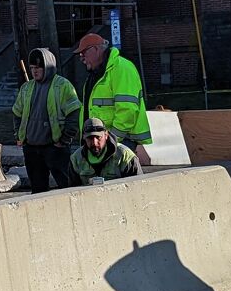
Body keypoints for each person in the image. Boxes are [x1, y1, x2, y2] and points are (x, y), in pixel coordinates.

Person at [74, 31, 152, 166]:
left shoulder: (121, 68)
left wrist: (111, 140)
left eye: (83, 53)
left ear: (96, 49)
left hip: (118, 143)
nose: (82, 59)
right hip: (103, 143)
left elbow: (127, 110)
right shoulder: (97, 74)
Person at [11, 47, 81, 193]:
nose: (34, 71)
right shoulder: (26, 88)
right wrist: (18, 135)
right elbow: (17, 112)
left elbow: (74, 113)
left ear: (47, 67)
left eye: (38, 68)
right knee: (37, 191)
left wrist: (65, 139)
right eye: (32, 68)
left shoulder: (62, 85)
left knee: (67, 187)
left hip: (55, 148)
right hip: (31, 148)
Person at [70, 119, 143, 184]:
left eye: (98, 137)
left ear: (106, 135)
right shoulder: (76, 159)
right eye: (89, 138)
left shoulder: (125, 156)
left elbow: (138, 186)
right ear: (84, 137)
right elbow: (71, 190)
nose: (94, 143)